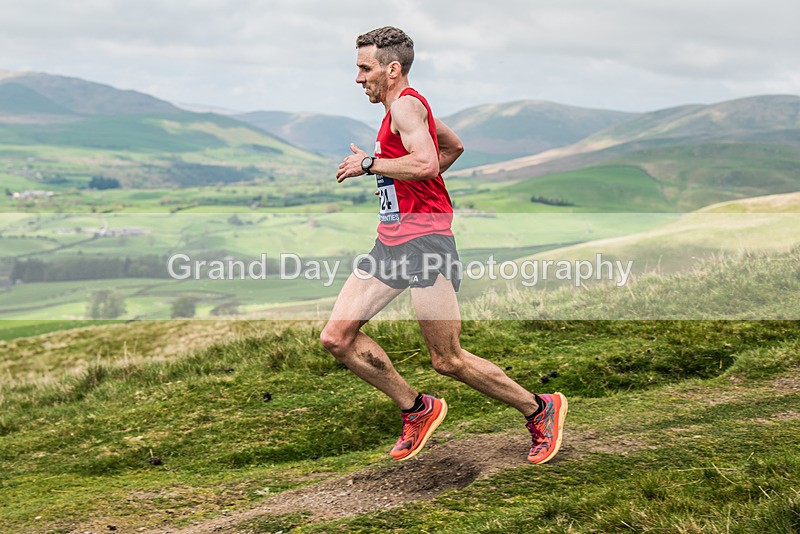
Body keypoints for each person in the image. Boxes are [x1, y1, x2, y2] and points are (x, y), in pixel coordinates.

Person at [322, 26, 567, 464]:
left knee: (447, 358)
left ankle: (539, 408)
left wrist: (370, 163)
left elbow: (427, 159)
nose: (358, 78)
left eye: (365, 68)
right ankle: (418, 408)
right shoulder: (400, 110)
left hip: (426, 244)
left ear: (392, 69)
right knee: (337, 337)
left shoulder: (408, 107)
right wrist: (412, 181)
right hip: (392, 242)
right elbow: (452, 147)